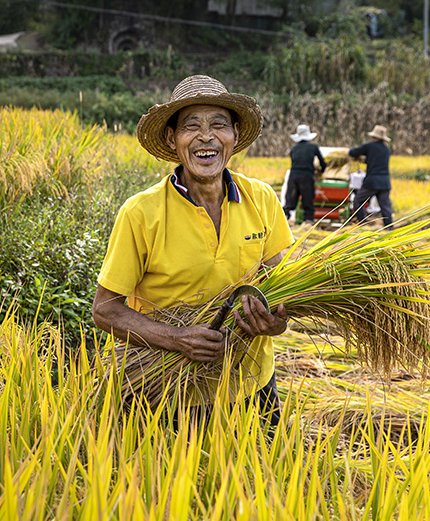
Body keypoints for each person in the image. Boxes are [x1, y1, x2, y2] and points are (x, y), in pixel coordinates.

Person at [91, 75, 294, 427]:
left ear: (233, 135)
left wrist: (277, 321)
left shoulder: (260, 198)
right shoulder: (141, 214)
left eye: (218, 125)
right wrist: (177, 338)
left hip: (252, 385)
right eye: (191, 126)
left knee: (264, 480)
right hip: (170, 393)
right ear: (172, 138)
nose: (206, 136)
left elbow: (285, 283)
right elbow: (105, 310)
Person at [348, 124, 394, 228]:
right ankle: (389, 228)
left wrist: (360, 157)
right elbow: (376, 161)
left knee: (358, 200)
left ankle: (363, 224)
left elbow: (353, 152)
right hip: (385, 182)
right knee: (385, 206)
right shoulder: (386, 149)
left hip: (372, 181)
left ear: (374, 137)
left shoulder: (369, 146)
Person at [283, 124, 327, 224]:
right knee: (307, 199)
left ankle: (285, 218)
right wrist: (322, 171)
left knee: (290, 199)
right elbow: (322, 162)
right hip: (306, 176)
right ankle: (308, 220)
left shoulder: (294, 148)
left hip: (293, 176)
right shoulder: (313, 147)